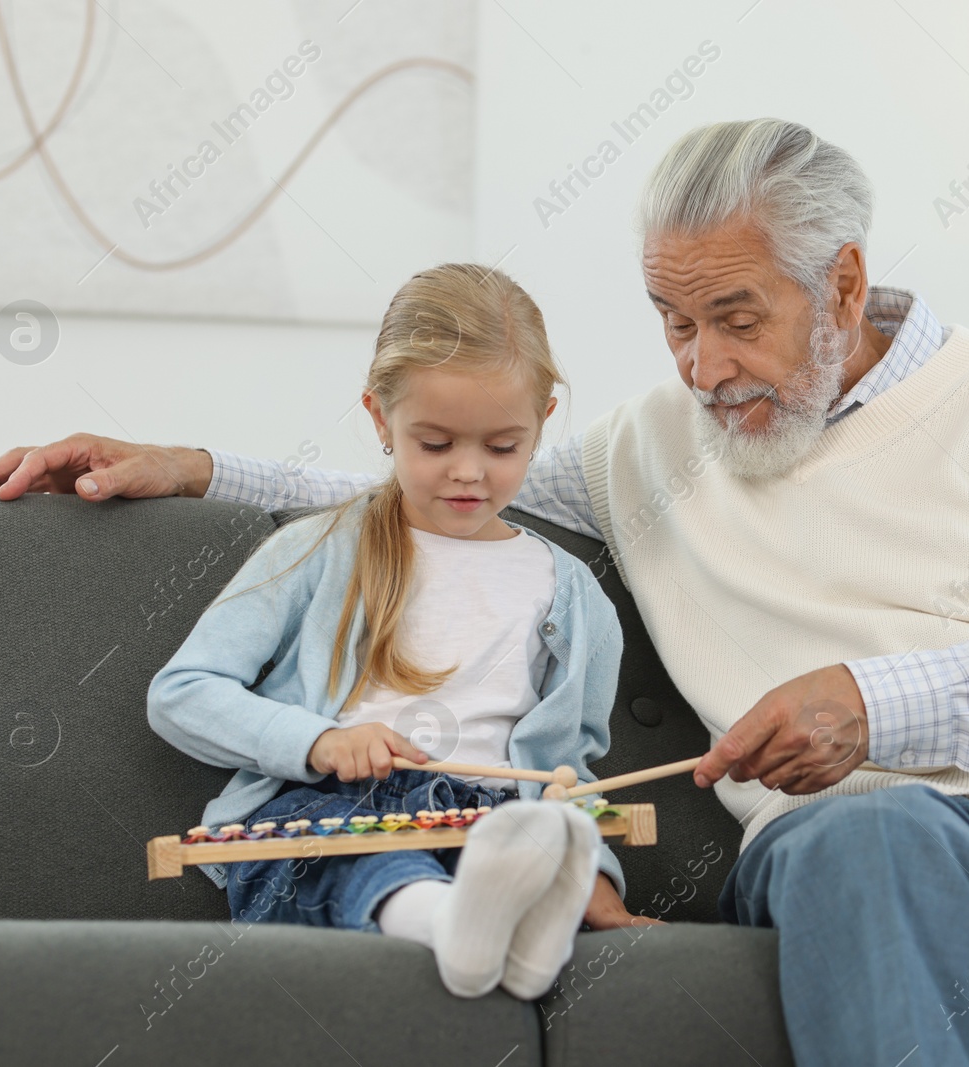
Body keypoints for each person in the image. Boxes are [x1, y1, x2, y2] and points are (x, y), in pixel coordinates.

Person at [0, 119, 969, 1065]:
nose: (701, 363)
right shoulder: (646, 454)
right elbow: (434, 472)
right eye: (673, 320)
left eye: (738, 314)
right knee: (865, 838)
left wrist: (876, 698)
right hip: (861, 826)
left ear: (842, 282)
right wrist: (188, 462)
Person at [145, 262, 642, 1001]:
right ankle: (453, 924)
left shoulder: (571, 594)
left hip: (493, 819)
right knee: (346, 862)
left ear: (544, 416)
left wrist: (597, 880)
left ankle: (520, 918)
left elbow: (571, 772)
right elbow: (182, 692)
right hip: (334, 809)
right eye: (435, 444)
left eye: (502, 447)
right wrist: (317, 743)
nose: (468, 473)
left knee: (535, 840)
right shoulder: (316, 549)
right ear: (381, 418)